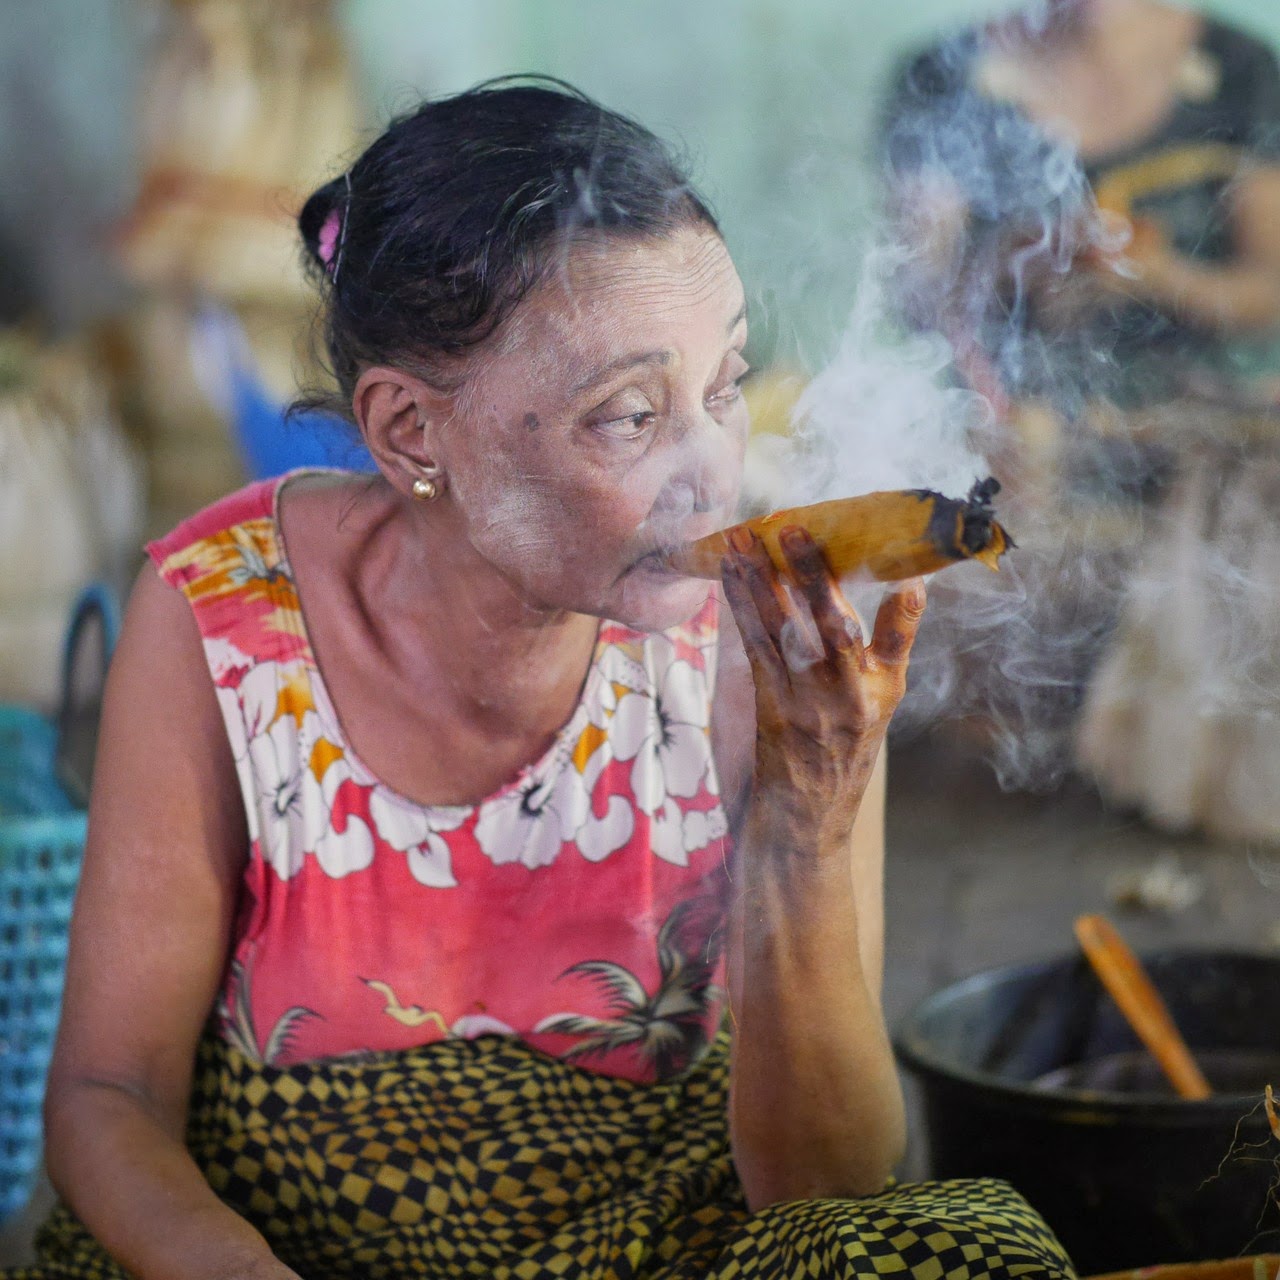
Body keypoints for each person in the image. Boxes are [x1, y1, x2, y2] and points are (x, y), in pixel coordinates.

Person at [16, 81, 1073, 1280]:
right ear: (412, 431)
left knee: (956, 1250)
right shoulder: (223, 614)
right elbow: (109, 1091)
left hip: (653, 1241)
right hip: (284, 1245)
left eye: (723, 385)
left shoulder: (757, 651)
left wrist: (811, 820)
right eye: (628, 415)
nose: (708, 475)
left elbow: (819, 1189)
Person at [880, 0, 1280, 818]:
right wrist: (1011, 264)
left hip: (1196, 422)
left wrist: (1158, 272)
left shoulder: (1240, 69)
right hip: (1009, 428)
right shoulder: (944, 73)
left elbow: (1268, 289)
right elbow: (919, 291)